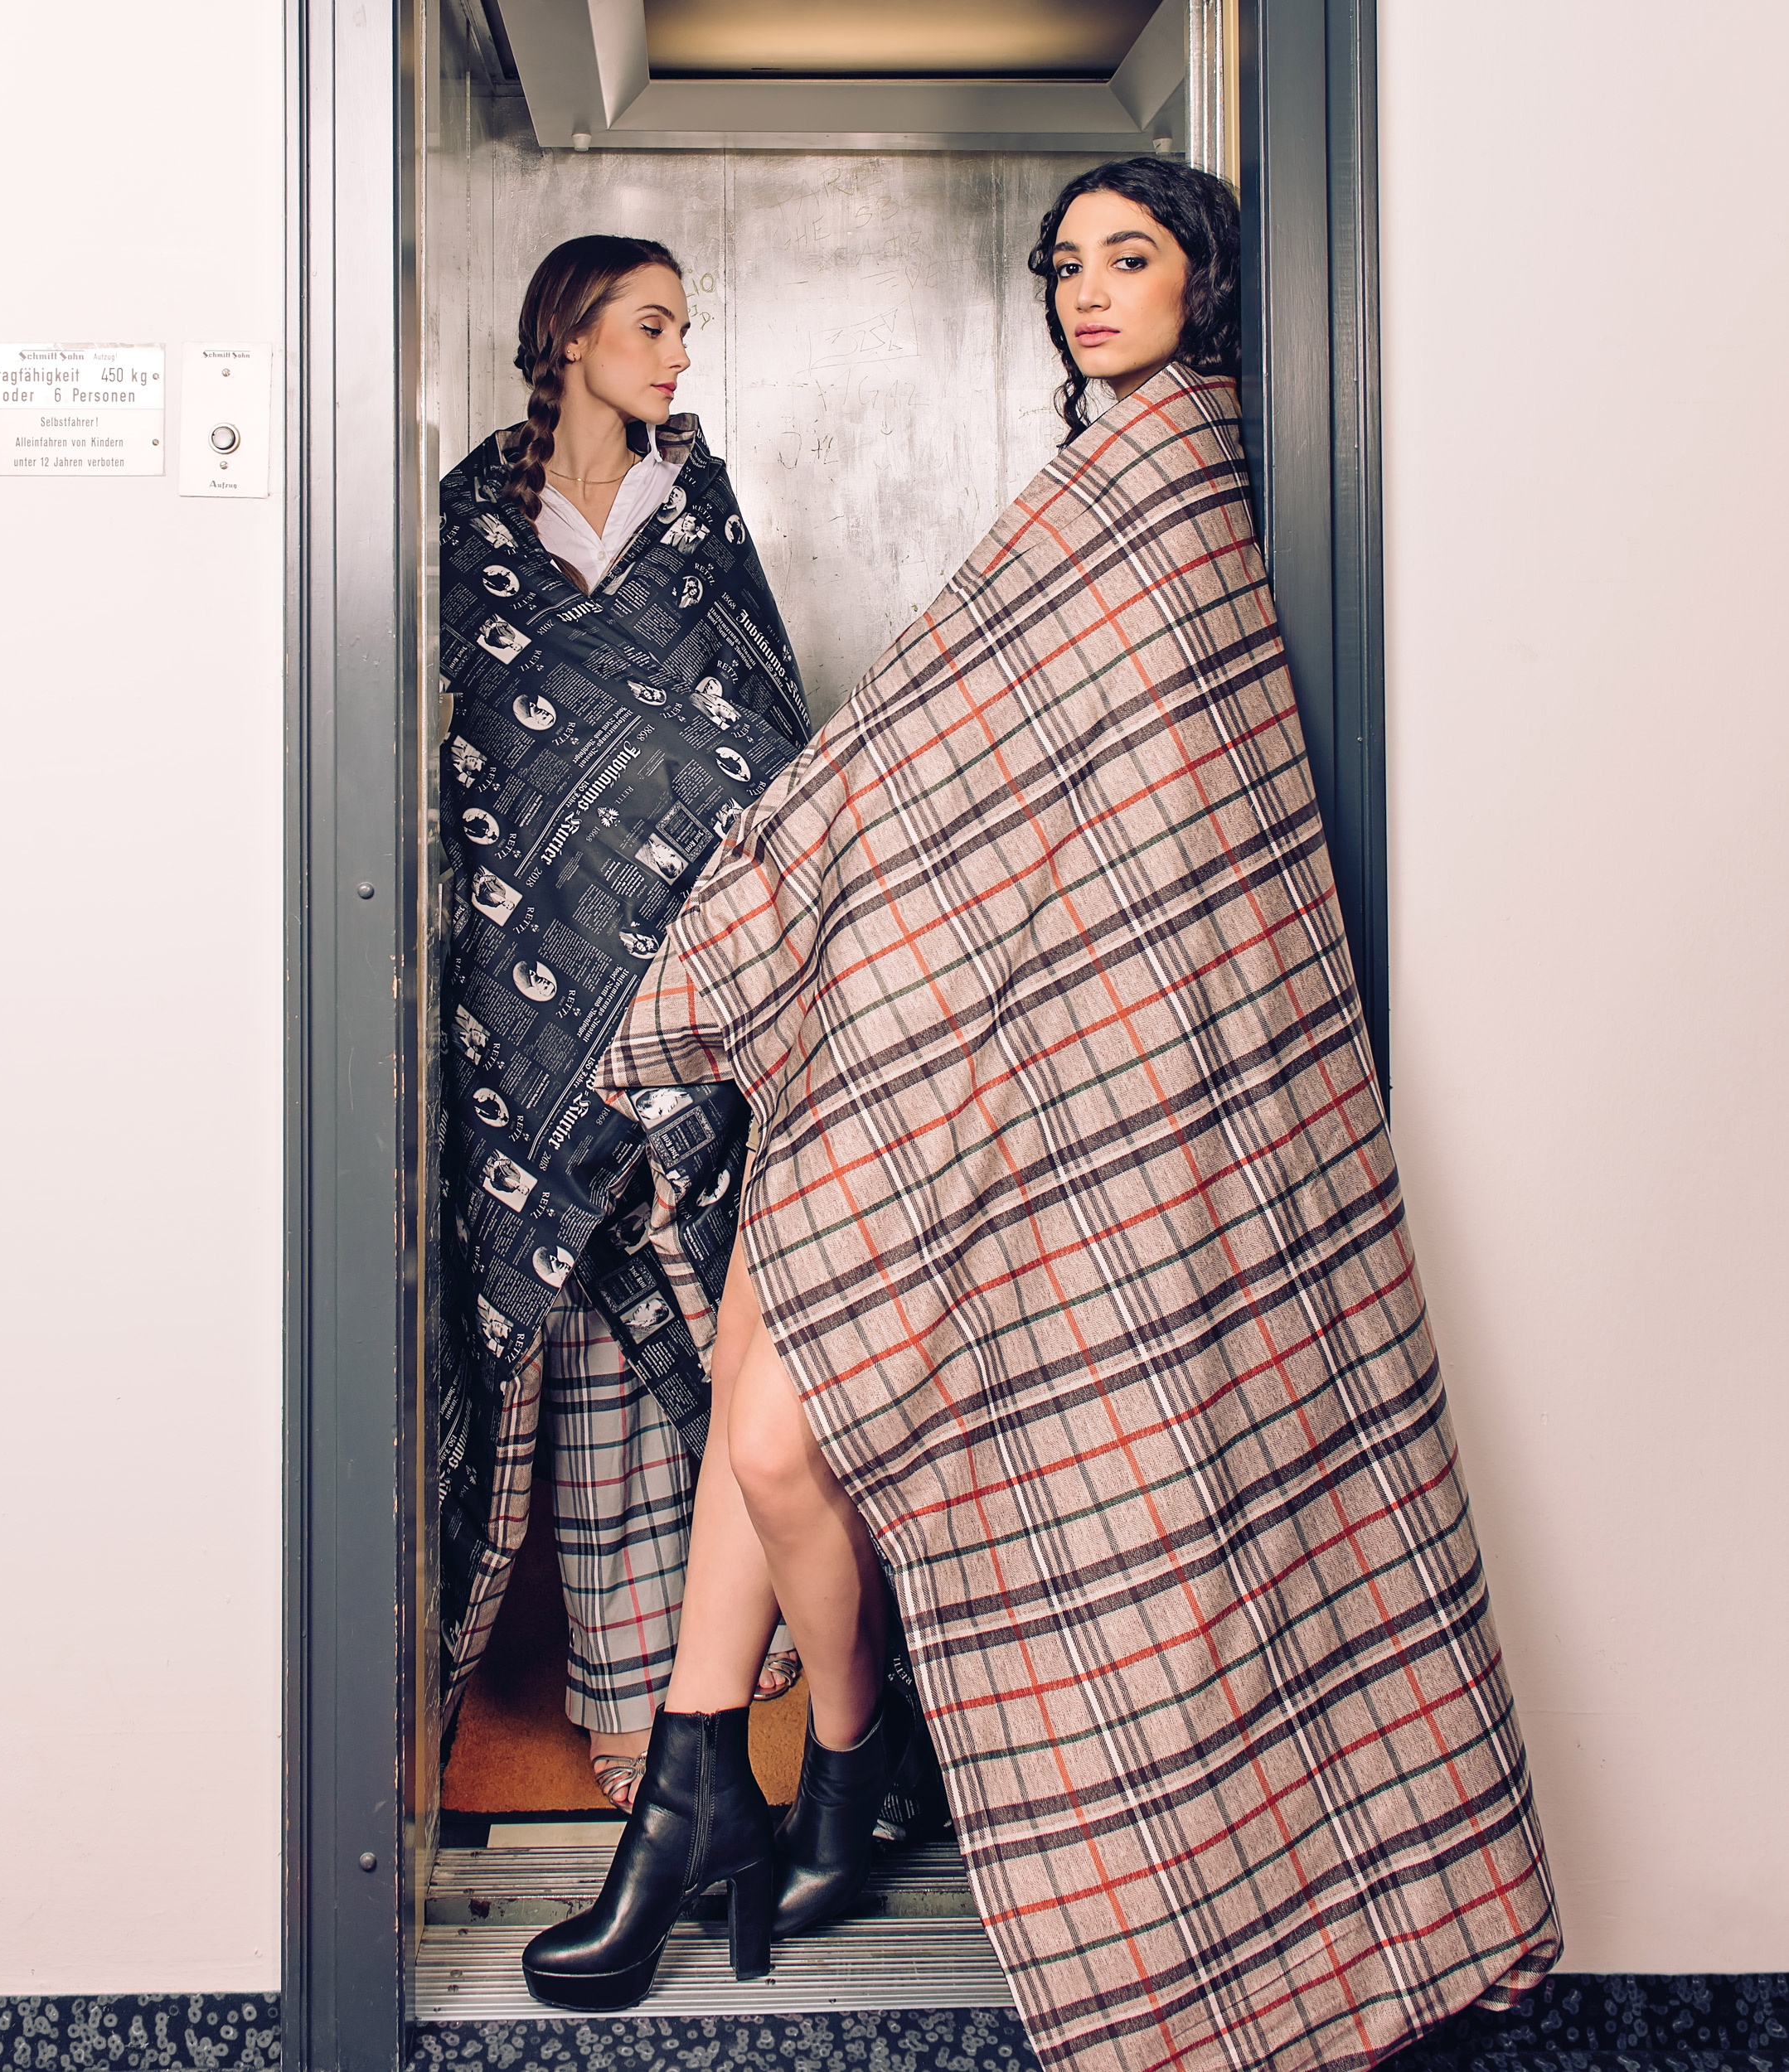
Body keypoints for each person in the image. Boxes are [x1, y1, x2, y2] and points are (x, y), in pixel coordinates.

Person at [522, 159, 1562, 2072]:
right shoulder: (1093, 479)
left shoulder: (1171, 490)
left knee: (793, 1412)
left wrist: (788, 907)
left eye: (1128, 256)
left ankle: (796, 1776)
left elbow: (1076, 793)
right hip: (935, 1029)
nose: (1089, 287)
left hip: (1063, 1065)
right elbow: (950, 756)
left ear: (1200, 282)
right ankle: (743, 1773)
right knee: (762, 1375)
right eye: (1065, 260)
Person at [435, 237, 808, 1816]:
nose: (676, 354)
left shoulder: (694, 514)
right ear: (573, 335)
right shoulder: (471, 521)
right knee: (572, 1332)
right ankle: (612, 1689)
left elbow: (763, 734)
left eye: (683, 327)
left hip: (686, 986)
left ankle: (699, 1684)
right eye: (651, 325)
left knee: (696, 1313)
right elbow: (453, 744)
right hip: (523, 990)